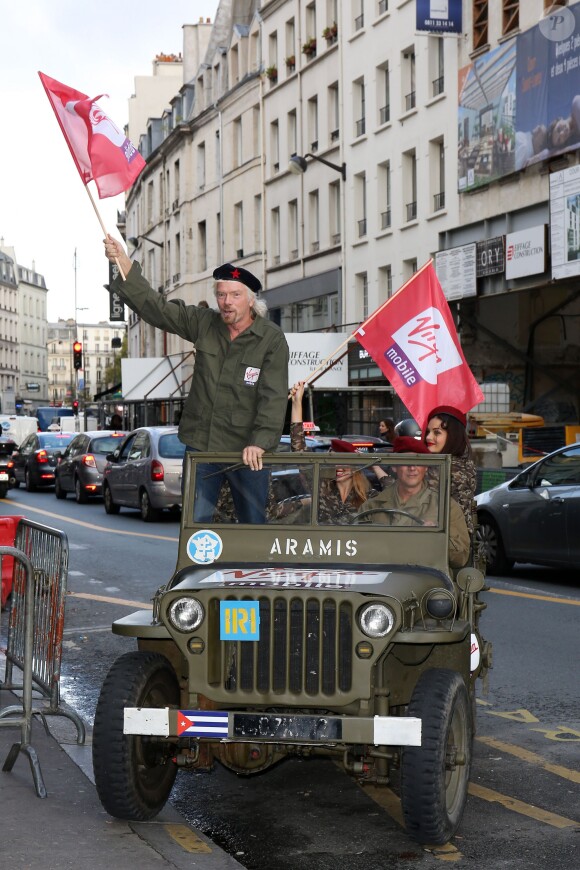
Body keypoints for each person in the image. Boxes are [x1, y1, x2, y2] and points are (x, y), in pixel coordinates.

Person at [103, 236, 289, 523]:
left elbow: (273, 397)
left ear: (251, 300)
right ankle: (199, 570)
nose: (226, 302)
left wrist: (260, 442)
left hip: (247, 451)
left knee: (253, 526)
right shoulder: (204, 322)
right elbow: (157, 308)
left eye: (235, 295)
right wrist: (123, 262)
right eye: (221, 294)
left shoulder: (271, 339)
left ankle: (250, 570)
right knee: (195, 525)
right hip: (202, 447)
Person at [360, 436, 470, 568]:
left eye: (418, 462)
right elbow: (355, 551)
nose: (412, 468)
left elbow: (461, 557)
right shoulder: (372, 507)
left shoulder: (445, 507)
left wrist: (437, 538)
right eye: (406, 462)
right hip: (380, 580)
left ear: (426, 467)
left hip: (425, 581)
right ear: (395, 467)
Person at [288, 381, 377, 524]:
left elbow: (394, 491)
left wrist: (374, 465)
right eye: (334, 461)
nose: (338, 467)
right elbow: (299, 451)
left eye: (344, 461)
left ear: (354, 466)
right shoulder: (322, 488)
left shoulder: (368, 496)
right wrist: (297, 403)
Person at [423, 405, 476, 533]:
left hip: (448, 544)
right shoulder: (459, 463)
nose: (428, 437)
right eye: (428, 432)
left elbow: (413, 495)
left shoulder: (452, 469)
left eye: (437, 432)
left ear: (453, 435)